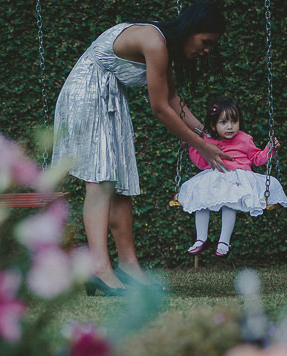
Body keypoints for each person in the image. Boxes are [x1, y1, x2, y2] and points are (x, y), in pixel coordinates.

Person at [52, 1, 231, 296]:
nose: (207, 50)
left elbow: (174, 101)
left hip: (110, 97)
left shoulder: (165, 49)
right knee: (99, 183)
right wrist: (201, 145)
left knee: (120, 186)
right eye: (206, 42)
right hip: (87, 94)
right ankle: (99, 268)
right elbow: (160, 109)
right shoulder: (155, 42)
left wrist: (207, 136)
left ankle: (129, 267)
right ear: (191, 30)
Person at [178, 96, 287, 257]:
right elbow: (202, 163)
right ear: (213, 125)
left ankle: (224, 240)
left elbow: (257, 159)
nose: (230, 127)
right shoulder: (209, 141)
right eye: (223, 122)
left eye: (234, 121)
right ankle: (201, 238)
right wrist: (191, 146)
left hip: (238, 180)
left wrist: (270, 149)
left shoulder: (245, 139)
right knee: (200, 200)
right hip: (216, 176)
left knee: (230, 202)